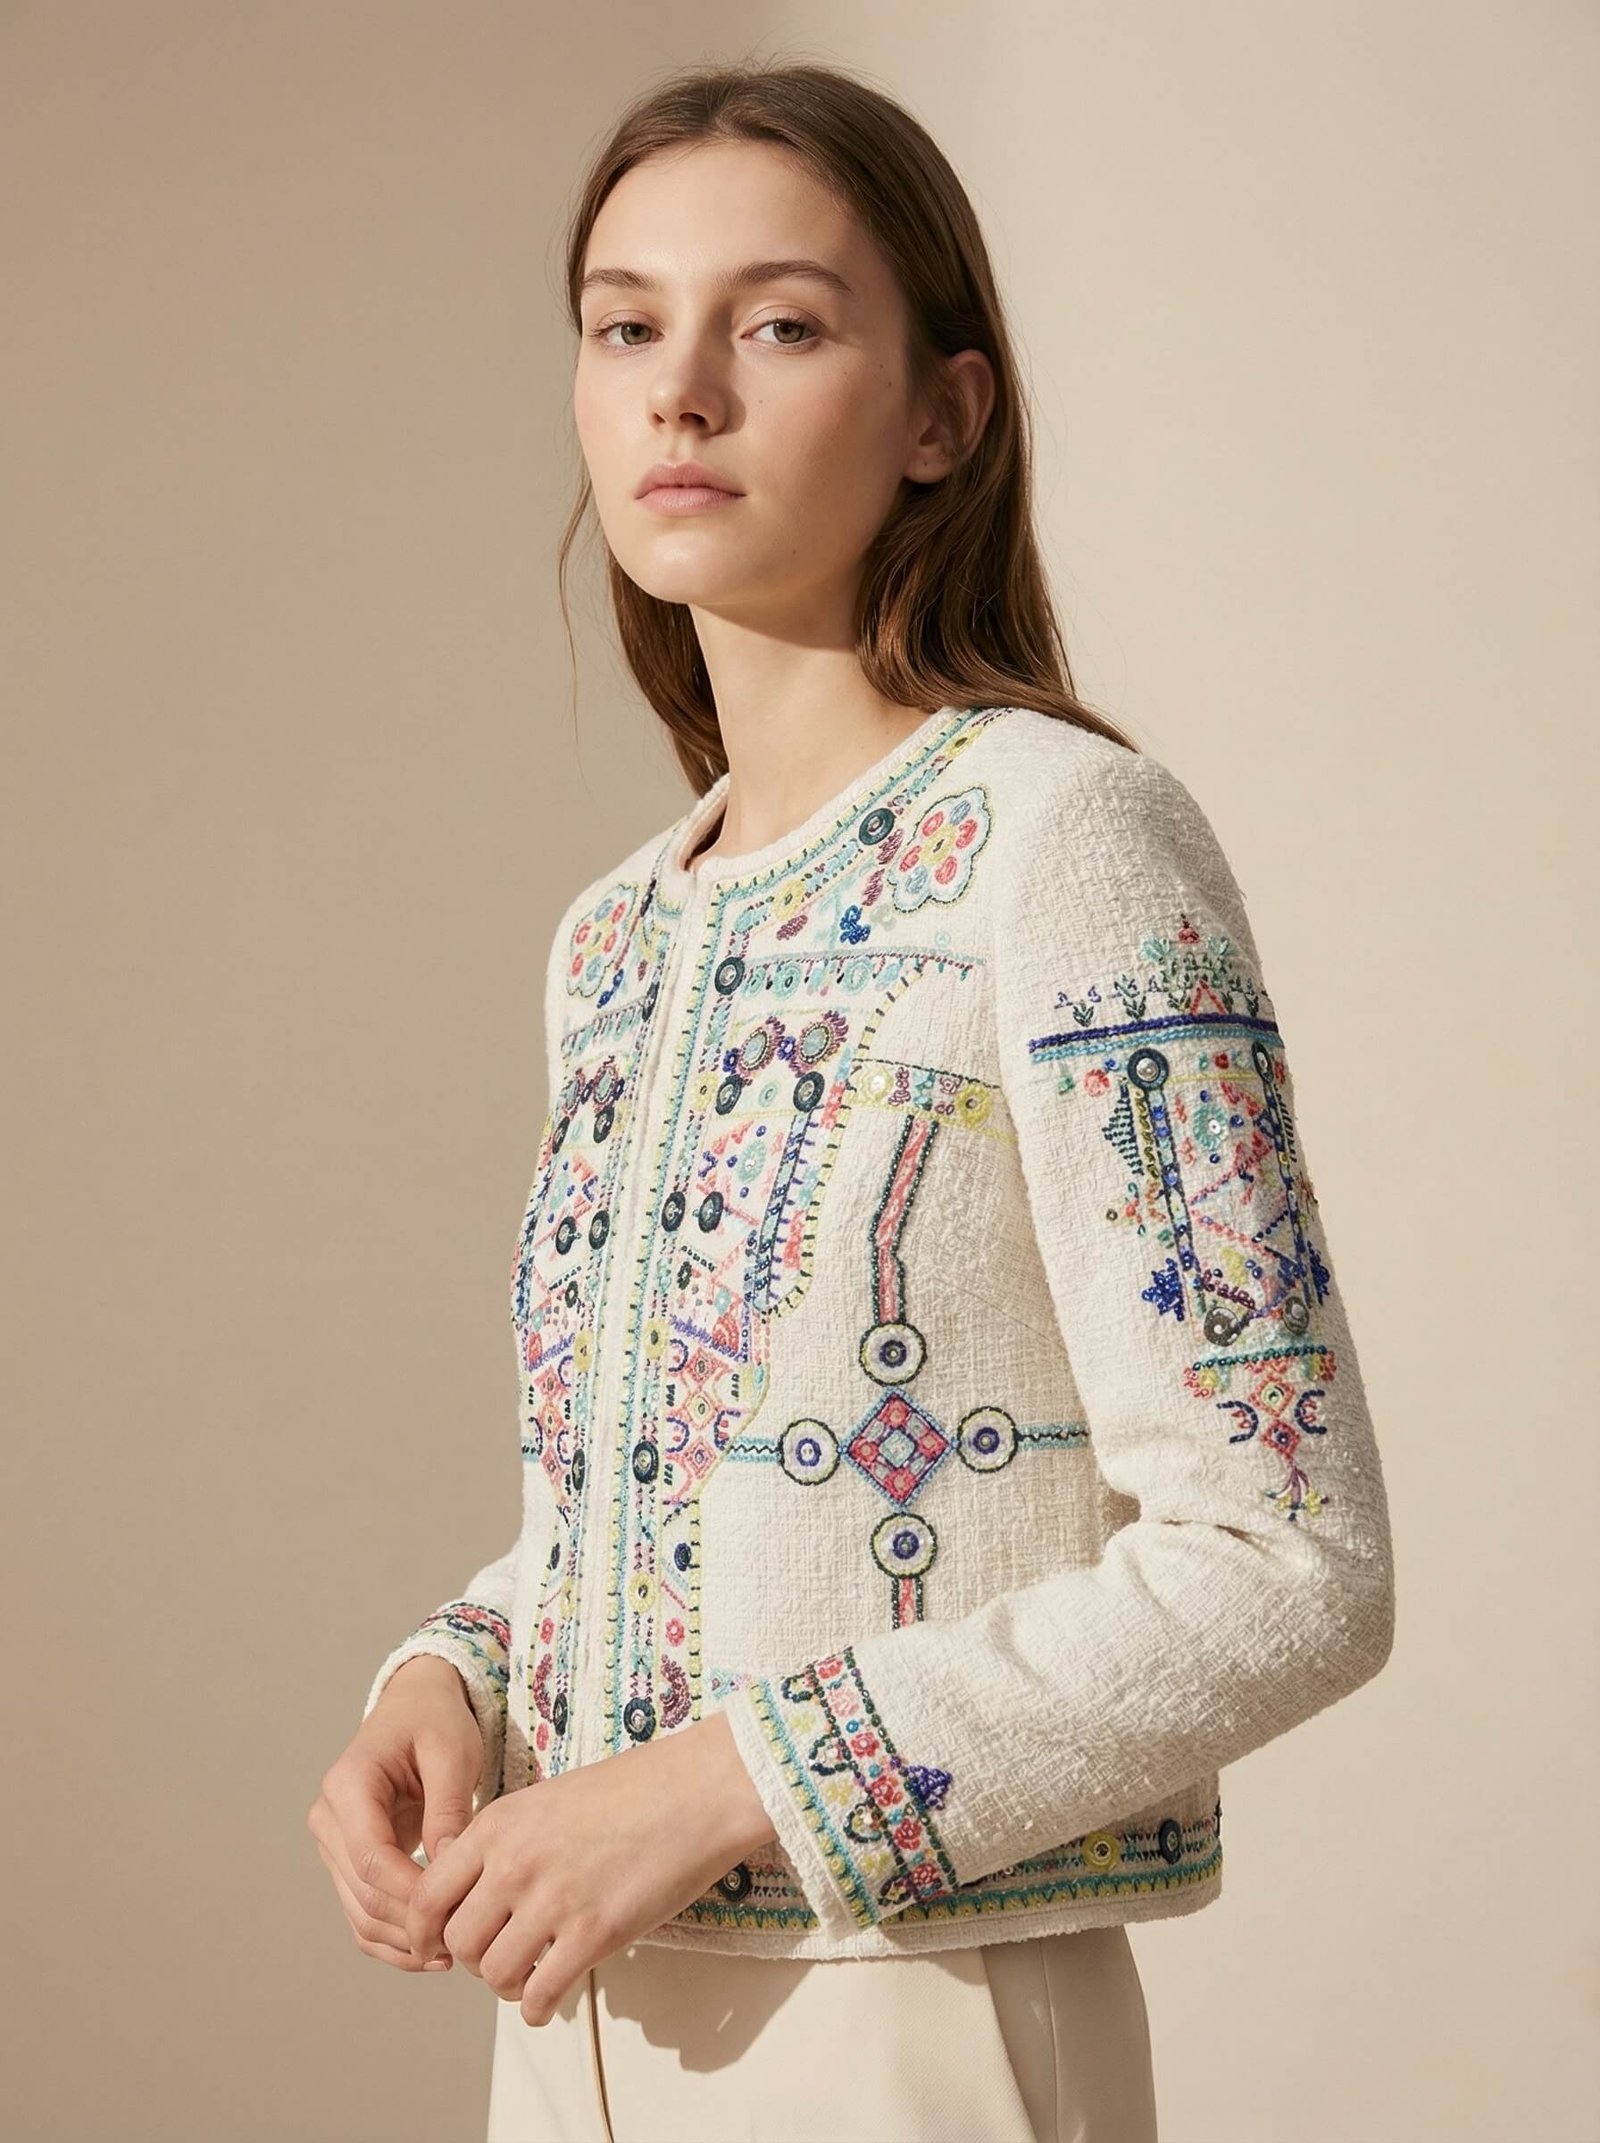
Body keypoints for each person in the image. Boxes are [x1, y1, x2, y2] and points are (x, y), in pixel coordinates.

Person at [306, 58, 1396, 2143]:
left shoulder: (1064, 841)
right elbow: (671, 1498)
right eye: (625, 325)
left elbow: (1286, 1555)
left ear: (941, 416)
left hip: (904, 2027)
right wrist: (452, 1677)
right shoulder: (618, 935)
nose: (680, 393)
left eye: (781, 325)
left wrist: (724, 1786)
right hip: (564, 2027)